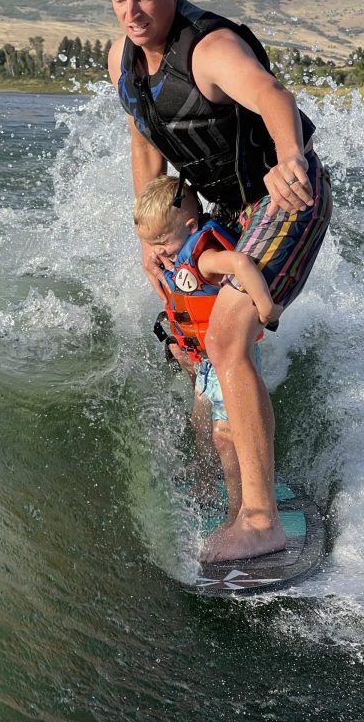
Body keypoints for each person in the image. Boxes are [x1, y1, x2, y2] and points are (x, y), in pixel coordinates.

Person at [104, 0, 332, 563]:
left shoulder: (211, 50)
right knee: (199, 344)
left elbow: (271, 96)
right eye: (120, 0)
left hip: (285, 197)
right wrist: (150, 237)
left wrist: (289, 158)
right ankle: (236, 476)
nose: (132, 13)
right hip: (226, 218)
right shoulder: (122, 55)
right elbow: (145, 140)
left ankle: (261, 521)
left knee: (228, 332)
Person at [133, 174, 281, 522]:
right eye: (149, 243)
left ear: (190, 225)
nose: (155, 252)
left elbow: (242, 263)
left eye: (161, 241)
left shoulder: (203, 258)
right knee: (200, 421)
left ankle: (237, 511)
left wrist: (266, 306)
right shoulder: (177, 257)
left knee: (224, 436)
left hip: (227, 357)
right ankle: (205, 482)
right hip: (205, 359)